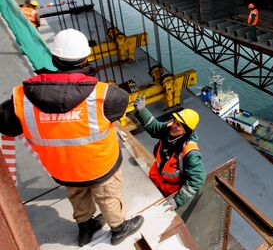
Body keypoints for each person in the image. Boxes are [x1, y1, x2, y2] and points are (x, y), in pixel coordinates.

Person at [0, 29, 144, 246]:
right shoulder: (105, 95)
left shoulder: (22, 97)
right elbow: (119, 107)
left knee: (78, 196)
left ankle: (85, 229)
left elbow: (7, 126)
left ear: (55, 58)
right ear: (86, 58)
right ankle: (119, 229)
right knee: (108, 196)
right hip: (100, 165)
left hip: (63, 167)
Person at [132, 96, 205, 209]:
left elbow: (197, 179)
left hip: (169, 190)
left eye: (178, 125)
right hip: (155, 178)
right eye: (174, 121)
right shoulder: (169, 130)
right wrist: (142, 110)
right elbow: (154, 127)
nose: (173, 126)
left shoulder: (190, 152)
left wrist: (177, 201)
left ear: (187, 131)